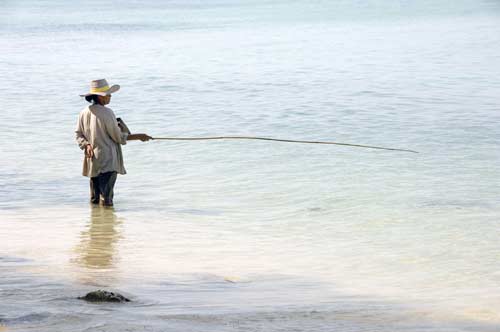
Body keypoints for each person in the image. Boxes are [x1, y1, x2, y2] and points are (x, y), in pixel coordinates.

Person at [75, 79, 152, 206]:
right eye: (108, 95)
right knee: (107, 198)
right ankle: (107, 223)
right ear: (100, 97)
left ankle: (96, 223)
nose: (110, 97)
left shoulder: (83, 112)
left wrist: (86, 145)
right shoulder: (107, 113)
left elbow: (78, 134)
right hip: (108, 160)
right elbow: (118, 137)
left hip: (92, 161)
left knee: (95, 198)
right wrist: (140, 136)